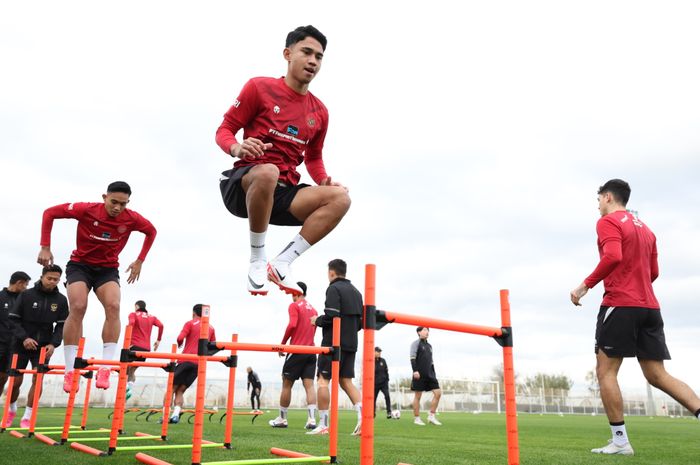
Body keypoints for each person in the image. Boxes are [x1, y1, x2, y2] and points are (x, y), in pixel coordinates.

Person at [216, 25, 351, 297]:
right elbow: (224, 129)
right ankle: (257, 259)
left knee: (341, 197)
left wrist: (322, 179)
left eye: (319, 56)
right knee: (268, 171)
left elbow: (313, 158)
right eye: (307, 52)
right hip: (245, 185)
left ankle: (281, 263)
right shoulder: (259, 87)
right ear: (288, 54)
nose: (313, 61)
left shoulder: (320, 112)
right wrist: (237, 147)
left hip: (284, 193)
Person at [570, 179, 700, 456]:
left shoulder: (608, 222)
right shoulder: (647, 230)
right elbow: (653, 272)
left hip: (621, 305)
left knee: (606, 371)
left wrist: (585, 286)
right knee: (657, 375)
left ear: (607, 197)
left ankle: (620, 441)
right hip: (650, 308)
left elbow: (613, 256)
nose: (598, 206)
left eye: (598, 200)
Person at [37, 181, 157, 393]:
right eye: (114, 202)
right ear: (104, 197)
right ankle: (70, 369)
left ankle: (105, 366)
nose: (118, 207)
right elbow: (49, 213)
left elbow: (151, 231)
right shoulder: (86, 209)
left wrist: (140, 260)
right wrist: (45, 246)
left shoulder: (131, 218)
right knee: (78, 306)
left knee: (114, 305)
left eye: (123, 204)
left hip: (107, 269)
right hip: (80, 266)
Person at [5, 265, 68, 428]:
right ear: (42, 277)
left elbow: (61, 326)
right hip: (21, 344)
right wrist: (24, 338)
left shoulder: (61, 300)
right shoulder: (26, 295)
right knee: (15, 382)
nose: (53, 282)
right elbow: (13, 320)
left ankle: (27, 416)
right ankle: (11, 409)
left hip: (43, 348)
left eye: (56, 279)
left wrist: (53, 344)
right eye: (50, 278)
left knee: (37, 379)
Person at [309, 259, 363, 435]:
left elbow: (332, 316)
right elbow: (361, 323)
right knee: (346, 381)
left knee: (323, 381)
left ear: (331, 273)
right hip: (351, 343)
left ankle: (323, 424)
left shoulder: (333, 288)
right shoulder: (356, 292)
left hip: (333, 343)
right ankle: (364, 419)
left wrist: (316, 320)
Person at [269, 282, 318, 429]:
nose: (290, 294)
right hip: (311, 351)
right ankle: (311, 420)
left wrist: (283, 344)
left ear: (296, 292)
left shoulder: (294, 306)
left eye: (291, 291)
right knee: (309, 386)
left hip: (297, 350)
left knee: (286, 383)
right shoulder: (314, 309)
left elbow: (292, 325)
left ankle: (282, 419)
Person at [165, 304, 216, 424]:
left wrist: (180, 343)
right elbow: (213, 347)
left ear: (194, 313)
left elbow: (180, 337)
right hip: (198, 364)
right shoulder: (211, 327)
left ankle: (164, 415)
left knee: (170, 389)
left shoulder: (190, 323)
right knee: (180, 391)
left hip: (185, 360)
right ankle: (175, 415)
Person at [0, 271, 32, 427]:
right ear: (19, 283)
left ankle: (12, 409)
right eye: (25, 284)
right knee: (1, 379)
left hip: (19, 345)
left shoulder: (25, 299)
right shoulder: (1, 297)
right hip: (2, 345)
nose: (26, 288)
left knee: (15, 382)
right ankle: (9, 409)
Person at [126, 300, 163, 400]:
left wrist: (128, 341)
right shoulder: (152, 317)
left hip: (134, 346)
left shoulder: (133, 314)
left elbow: (131, 323)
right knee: (132, 370)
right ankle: (129, 388)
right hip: (146, 349)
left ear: (136, 306)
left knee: (126, 369)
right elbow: (161, 325)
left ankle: (126, 389)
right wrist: (158, 340)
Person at [410, 327, 442, 426]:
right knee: (418, 396)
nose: (427, 332)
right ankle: (417, 418)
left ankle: (431, 416)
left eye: (428, 330)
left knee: (438, 393)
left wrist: (433, 373)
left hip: (430, 374)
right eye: (424, 330)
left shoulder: (429, 346)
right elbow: (412, 358)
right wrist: (415, 371)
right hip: (419, 374)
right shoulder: (415, 343)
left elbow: (431, 361)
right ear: (419, 332)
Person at [374, 347, 393, 419]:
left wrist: (387, 380)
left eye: (380, 352)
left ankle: (389, 412)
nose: (379, 353)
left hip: (384, 383)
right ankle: (373, 413)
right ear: (374, 352)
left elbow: (386, 371)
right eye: (378, 351)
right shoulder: (371, 361)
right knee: (373, 399)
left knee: (387, 396)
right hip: (375, 384)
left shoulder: (383, 360)